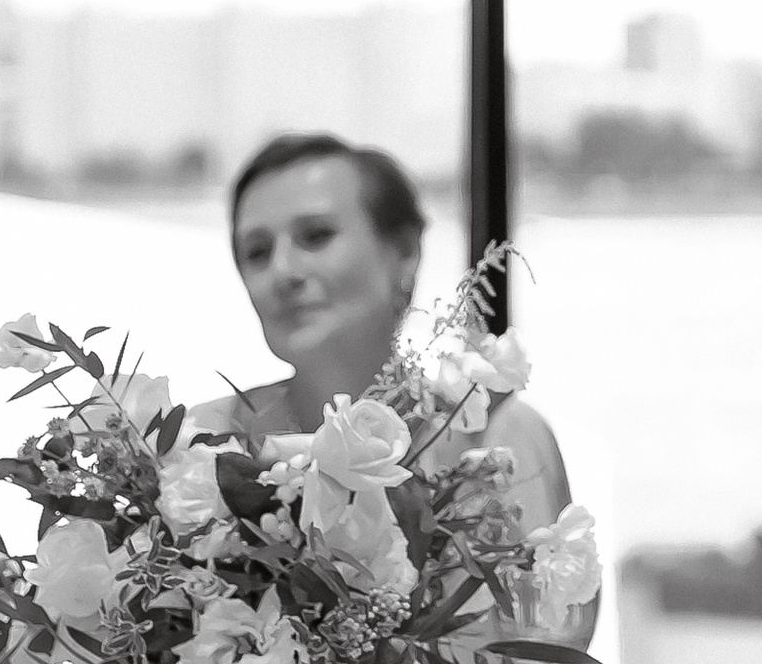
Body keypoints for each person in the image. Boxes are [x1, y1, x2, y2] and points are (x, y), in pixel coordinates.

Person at [193, 132, 571, 537]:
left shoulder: (495, 435)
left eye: (316, 236)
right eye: (257, 252)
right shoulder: (203, 446)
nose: (283, 271)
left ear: (405, 251)